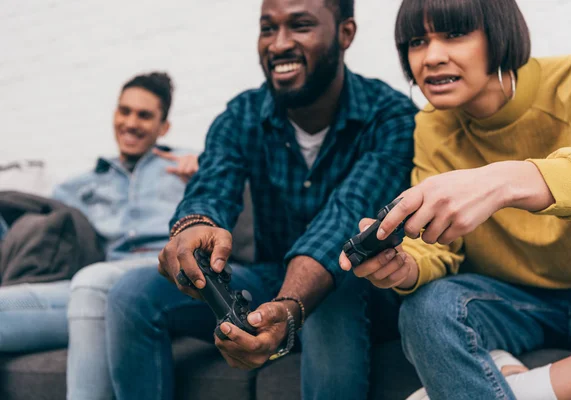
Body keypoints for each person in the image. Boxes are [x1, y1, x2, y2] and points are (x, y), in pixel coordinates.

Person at [103, 0, 417, 399]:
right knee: (131, 296)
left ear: (345, 33)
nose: (279, 44)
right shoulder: (242, 115)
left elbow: (343, 220)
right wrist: (194, 225)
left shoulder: (391, 117)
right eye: (268, 28)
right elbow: (213, 183)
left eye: (300, 25)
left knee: (337, 286)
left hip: (361, 291)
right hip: (270, 278)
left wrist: (289, 307)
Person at [339, 0, 571, 399]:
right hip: (510, 300)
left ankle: (524, 389)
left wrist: (509, 180)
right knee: (427, 309)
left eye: (455, 34)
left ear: (500, 33)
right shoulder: (432, 126)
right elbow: (441, 248)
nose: (431, 57)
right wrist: (407, 267)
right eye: (417, 41)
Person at [0, 71, 199, 400]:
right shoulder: (81, 184)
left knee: (93, 282)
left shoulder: (187, 167)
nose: (131, 123)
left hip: (161, 273)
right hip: (86, 287)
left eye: (144, 115)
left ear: (164, 128)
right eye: (125, 111)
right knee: (87, 284)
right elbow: (39, 224)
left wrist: (204, 171)